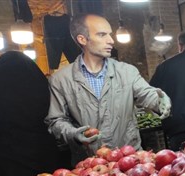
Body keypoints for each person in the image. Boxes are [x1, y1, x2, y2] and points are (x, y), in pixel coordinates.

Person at [45, 14, 171, 166]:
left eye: (110, 34)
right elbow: (55, 121)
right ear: (82, 39)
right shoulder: (61, 80)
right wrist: (74, 134)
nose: (111, 40)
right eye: (102, 34)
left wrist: (160, 100)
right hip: (89, 167)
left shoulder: (127, 72)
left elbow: (146, 94)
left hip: (131, 164)